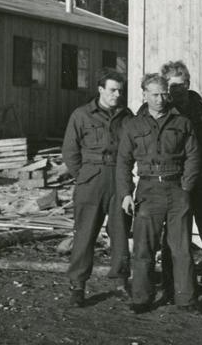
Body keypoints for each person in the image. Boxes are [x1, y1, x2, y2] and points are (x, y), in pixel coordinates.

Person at [117, 74, 200, 313]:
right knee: (144, 248)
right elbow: (123, 162)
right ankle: (142, 298)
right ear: (144, 94)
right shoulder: (133, 125)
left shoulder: (182, 122)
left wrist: (186, 187)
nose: (160, 99)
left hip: (176, 189)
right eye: (154, 94)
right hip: (148, 190)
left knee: (181, 249)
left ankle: (186, 299)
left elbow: (193, 156)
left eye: (164, 94)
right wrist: (126, 193)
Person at [62, 69, 133, 307]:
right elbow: (70, 151)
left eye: (120, 91)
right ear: (100, 89)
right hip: (91, 179)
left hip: (119, 178)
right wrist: (83, 176)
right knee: (85, 234)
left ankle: (121, 283)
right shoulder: (81, 115)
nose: (117, 95)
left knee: (120, 232)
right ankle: (78, 286)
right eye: (112, 90)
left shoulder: (127, 116)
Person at [159, 60, 202, 301]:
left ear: (188, 84)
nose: (177, 90)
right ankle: (171, 285)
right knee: (175, 235)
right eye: (172, 86)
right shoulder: (164, 111)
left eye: (181, 85)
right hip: (175, 183)